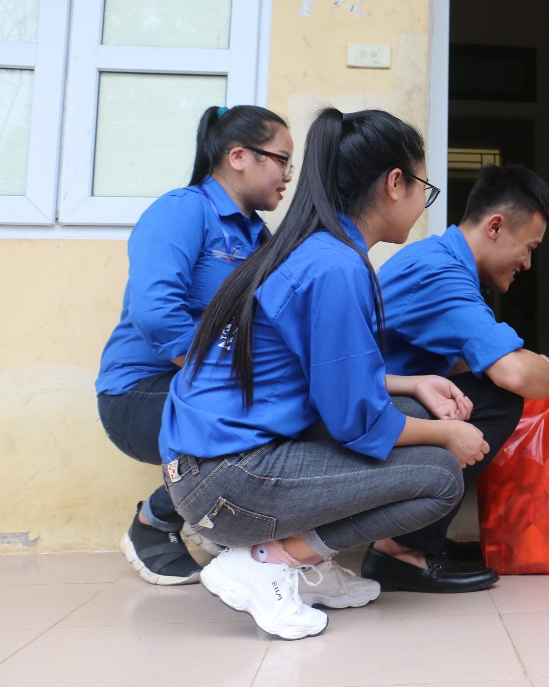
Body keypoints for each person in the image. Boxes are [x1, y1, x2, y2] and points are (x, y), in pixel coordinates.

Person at [159, 107, 486, 640]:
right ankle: (270, 562)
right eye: (423, 187)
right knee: (440, 475)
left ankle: (303, 566)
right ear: (394, 183)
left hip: (206, 469)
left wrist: (411, 383)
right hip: (225, 481)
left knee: (410, 411)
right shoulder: (336, 267)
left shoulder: (313, 248)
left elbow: (325, 377)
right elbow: (358, 423)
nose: (423, 203)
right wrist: (451, 433)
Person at [368, 163, 549, 592]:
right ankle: (400, 548)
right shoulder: (442, 274)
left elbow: (475, 363)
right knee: (497, 399)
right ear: (495, 226)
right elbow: (511, 372)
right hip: (360, 413)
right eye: (528, 247)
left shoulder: (444, 264)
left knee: (477, 389)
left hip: (379, 401)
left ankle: (420, 536)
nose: (527, 263)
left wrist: (546, 369)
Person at [96, 105, 292, 585]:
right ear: (239, 155)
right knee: (254, 406)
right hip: (139, 393)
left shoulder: (257, 235)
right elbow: (155, 311)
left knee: (293, 403)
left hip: (198, 385)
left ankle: (217, 522)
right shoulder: (183, 210)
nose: (288, 175)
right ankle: (154, 522)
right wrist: (218, 382)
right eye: (282, 160)